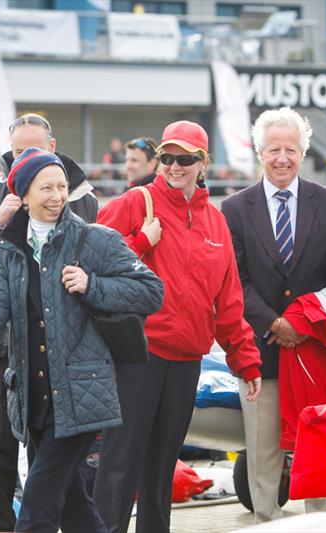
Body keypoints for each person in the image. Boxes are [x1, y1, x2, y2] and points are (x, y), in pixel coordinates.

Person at [0, 147, 164, 533]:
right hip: (32, 397)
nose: (57, 196)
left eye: (62, 186)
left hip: (82, 394)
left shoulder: (93, 239)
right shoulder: (6, 249)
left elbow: (150, 291)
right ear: (23, 195)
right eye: (46, 187)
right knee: (74, 510)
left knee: (38, 502)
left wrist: (93, 285)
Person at [94, 120, 262, 533]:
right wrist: (140, 243)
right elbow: (90, 259)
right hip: (137, 354)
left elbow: (228, 302)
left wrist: (246, 361)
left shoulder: (216, 223)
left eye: (184, 159)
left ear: (202, 164)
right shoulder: (136, 203)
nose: (173, 166)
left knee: (161, 467)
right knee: (119, 462)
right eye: (167, 157)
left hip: (186, 360)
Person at [0, 112, 98, 532]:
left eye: (34, 149)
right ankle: (0, 526)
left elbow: (100, 261)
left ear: (52, 148)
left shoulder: (78, 193)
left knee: (48, 455)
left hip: (55, 347)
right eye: (17, 151)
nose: (25, 157)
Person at [221, 106, 326, 521]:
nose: (283, 158)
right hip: (260, 353)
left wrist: (301, 324)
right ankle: (267, 521)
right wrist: (274, 323)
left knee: (323, 445)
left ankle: (325, 524)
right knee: (262, 448)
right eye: (274, 149)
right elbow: (234, 279)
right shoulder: (235, 209)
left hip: (315, 350)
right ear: (260, 151)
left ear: (303, 151)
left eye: (291, 149)